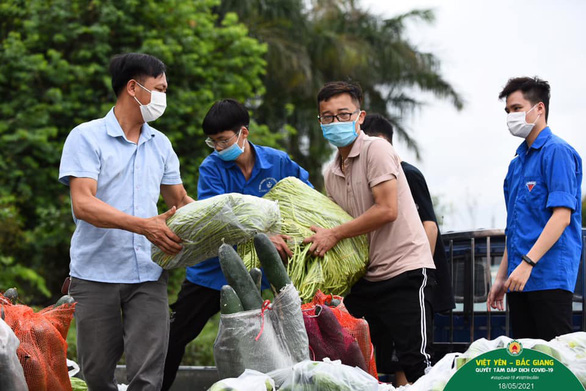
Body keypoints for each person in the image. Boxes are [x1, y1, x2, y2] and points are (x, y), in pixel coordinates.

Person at [58, 53, 194, 390]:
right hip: (94, 274)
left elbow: (180, 201)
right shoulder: (85, 137)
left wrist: (230, 218)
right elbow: (84, 204)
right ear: (133, 88)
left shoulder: (161, 144)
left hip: (148, 274)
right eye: (159, 89)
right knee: (97, 374)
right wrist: (144, 225)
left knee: (148, 378)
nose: (164, 97)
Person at [162, 98, 312, 390]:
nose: (218, 148)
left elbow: (305, 200)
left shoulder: (278, 162)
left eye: (223, 140)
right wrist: (262, 235)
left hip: (269, 272)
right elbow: (218, 220)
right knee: (175, 335)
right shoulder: (211, 168)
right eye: (213, 142)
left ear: (243, 133)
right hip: (212, 271)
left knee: (292, 334)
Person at [304, 81, 436, 385]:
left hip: (404, 271)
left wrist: (333, 234)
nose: (335, 122)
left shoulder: (377, 149)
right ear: (320, 121)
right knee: (355, 361)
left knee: (415, 362)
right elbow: (336, 222)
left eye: (343, 114)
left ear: (360, 116)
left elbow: (387, 209)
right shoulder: (331, 171)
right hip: (367, 278)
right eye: (327, 117)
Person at [361, 114, 455, 384]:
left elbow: (430, 226)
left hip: (411, 278)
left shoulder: (407, 174)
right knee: (387, 354)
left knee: (410, 357)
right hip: (385, 279)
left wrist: (415, 270)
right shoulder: (374, 180)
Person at [487, 77, 582, 340]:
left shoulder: (558, 152)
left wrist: (528, 263)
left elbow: (561, 217)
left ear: (539, 108)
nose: (511, 116)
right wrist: (501, 278)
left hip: (549, 277)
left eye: (517, 108)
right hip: (519, 281)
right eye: (507, 111)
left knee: (554, 365)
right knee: (527, 368)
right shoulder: (515, 165)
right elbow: (514, 230)